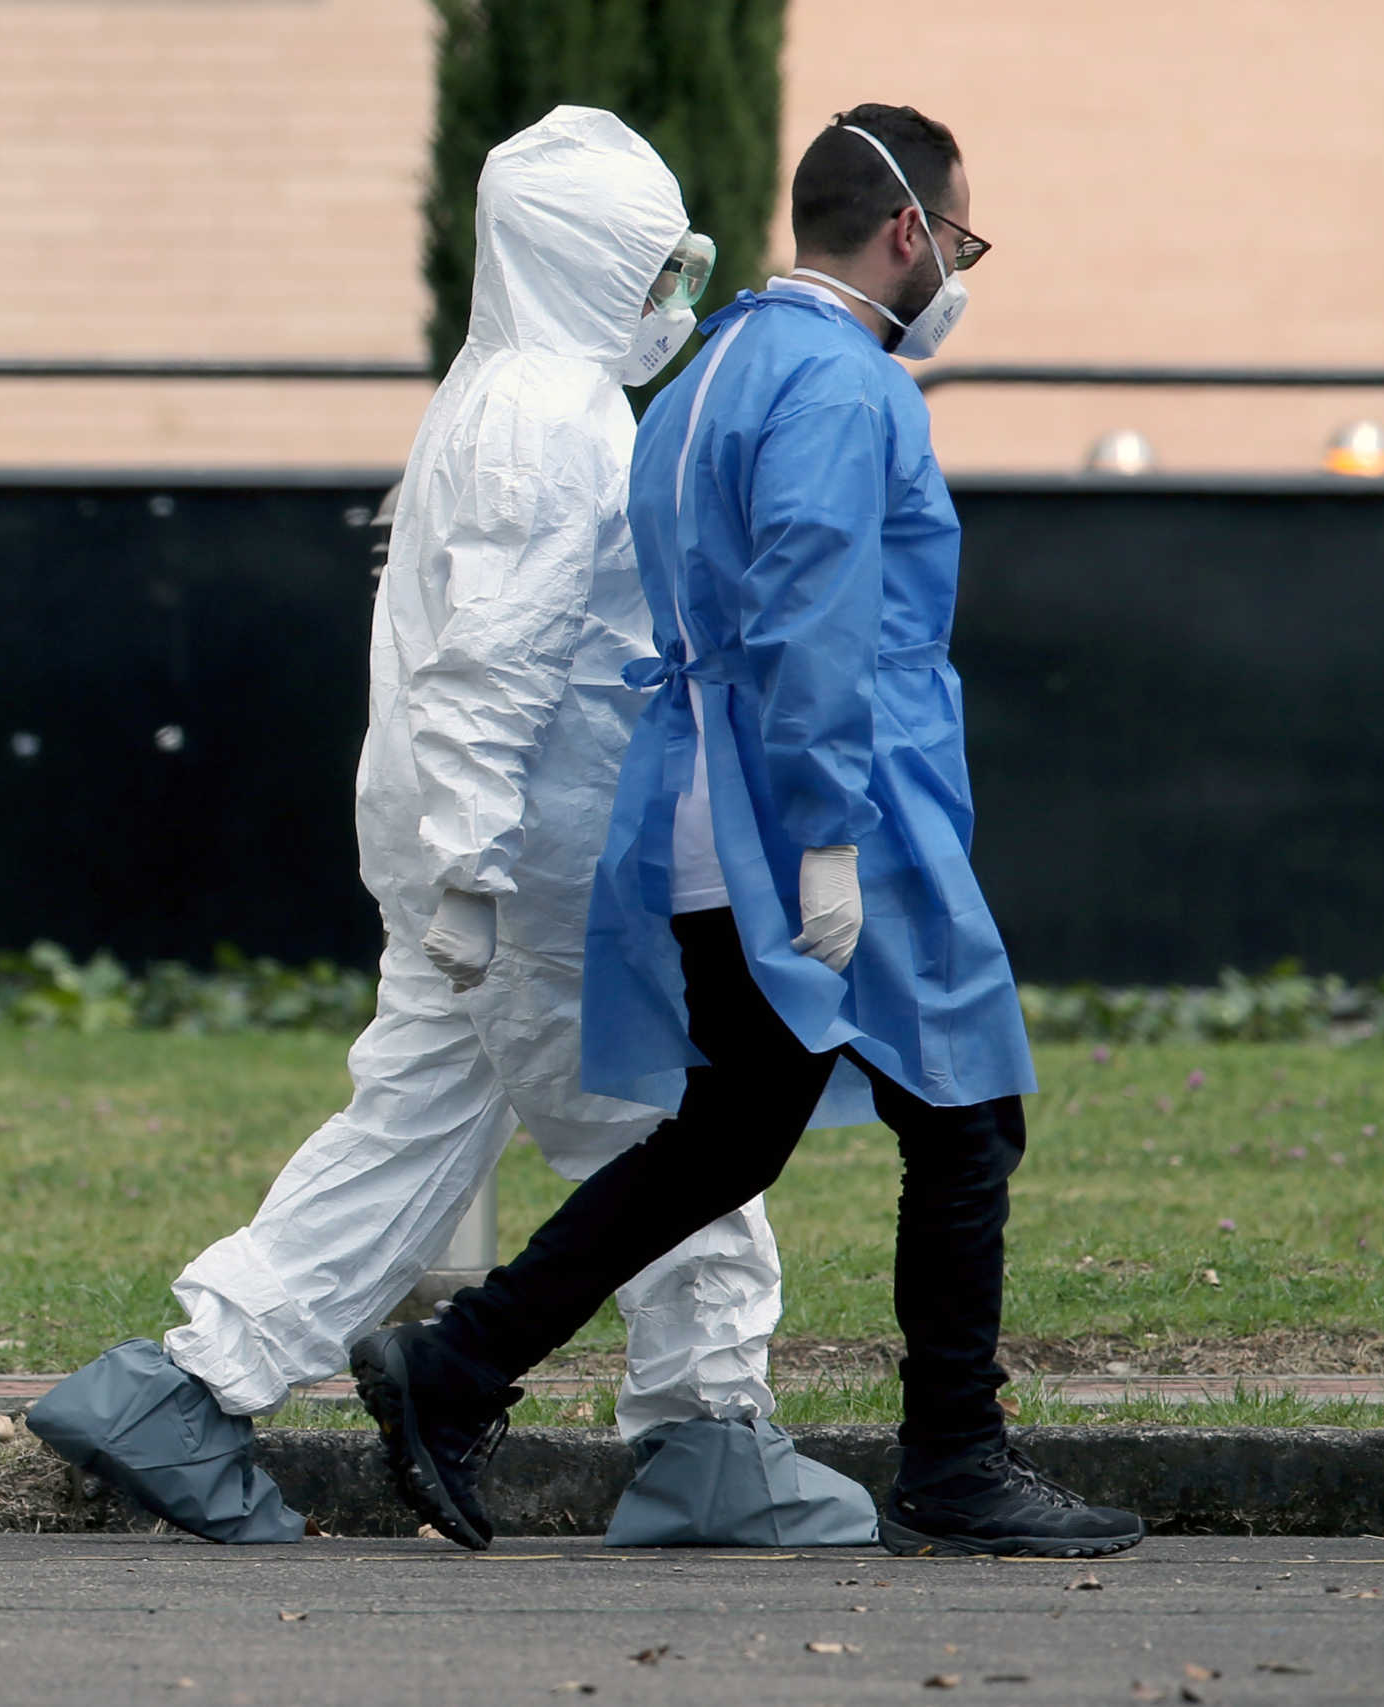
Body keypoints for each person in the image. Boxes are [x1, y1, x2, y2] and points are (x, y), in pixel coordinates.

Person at [28, 107, 875, 1551]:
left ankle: (179, 1391)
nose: (675, 299)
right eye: (658, 267)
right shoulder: (550, 418)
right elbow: (496, 663)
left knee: (412, 1126)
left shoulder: (504, 394)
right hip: (533, 868)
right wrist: (481, 866)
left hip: (475, 858)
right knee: (686, 1134)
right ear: (590, 261)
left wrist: (460, 863)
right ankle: (707, 1432)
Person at [350, 105, 1146, 1560]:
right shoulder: (846, 387)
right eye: (959, 245)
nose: (955, 274)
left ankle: (457, 1365)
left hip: (708, 801)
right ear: (909, 232)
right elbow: (815, 613)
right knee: (966, 1120)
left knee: (731, 1130)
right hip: (836, 807)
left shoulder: (713, 365)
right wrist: (831, 835)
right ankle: (956, 1461)